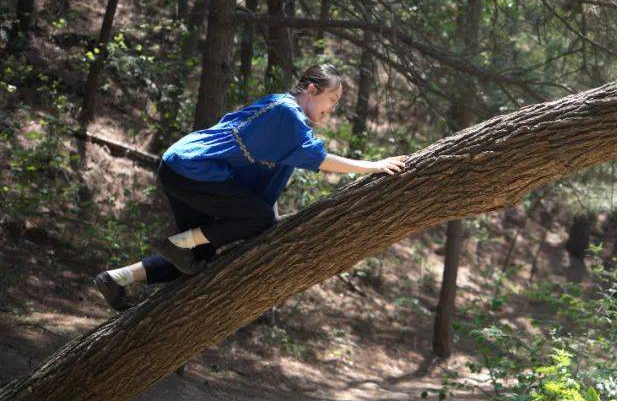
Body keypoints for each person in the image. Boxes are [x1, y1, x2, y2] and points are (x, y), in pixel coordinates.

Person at [91, 63, 409, 312]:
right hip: (191, 168)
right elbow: (320, 159)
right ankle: (177, 242)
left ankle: (116, 279)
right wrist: (375, 166)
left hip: (183, 168)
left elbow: (268, 185)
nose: (333, 108)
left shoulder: (287, 123)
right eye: (332, 99)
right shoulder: (287, 112)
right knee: (248, 223)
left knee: (194, 258)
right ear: (312, 89)